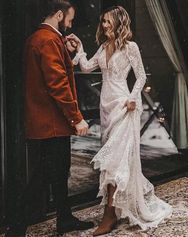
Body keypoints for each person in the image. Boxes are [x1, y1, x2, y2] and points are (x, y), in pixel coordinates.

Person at [67, 5, 172, 236]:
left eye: (107, 21)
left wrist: (134, 98)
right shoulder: (104, 46)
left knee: (114, 161)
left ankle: (109, 214)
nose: (103, 25)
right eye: (102, 21)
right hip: (107, 108)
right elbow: (85, 67)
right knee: (112, 160)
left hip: (124, 107)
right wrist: (81, 49)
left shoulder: (130, 47)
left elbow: (141, 75)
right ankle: (114, 209)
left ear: (118, 23)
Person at [5, 1, 94, 236]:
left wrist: (65, 49)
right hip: (52, 123)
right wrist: (76, 118)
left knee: (56, 172)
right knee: (43, 176)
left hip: (45, 122)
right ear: (58, 14)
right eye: (69, 20)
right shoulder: (48, 40)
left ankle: (63, 219)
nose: (70, 24)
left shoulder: (41, 38)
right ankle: (16, 229)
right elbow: (58, 84)